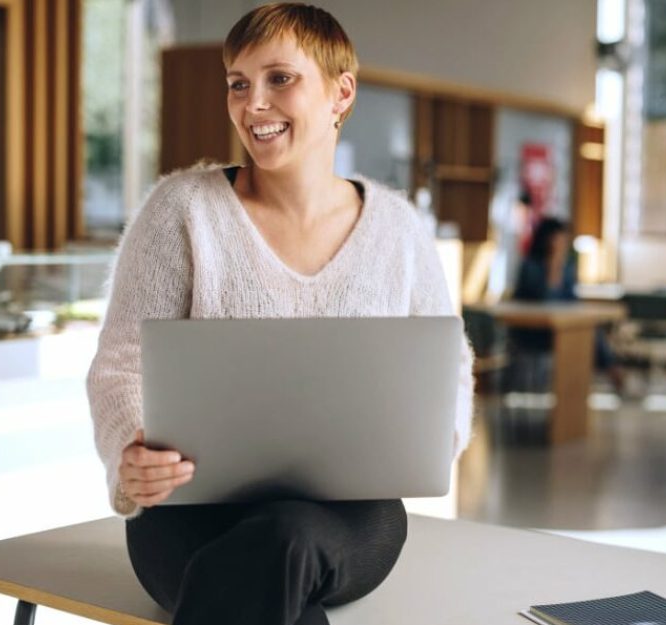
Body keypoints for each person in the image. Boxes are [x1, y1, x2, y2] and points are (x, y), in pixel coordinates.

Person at [85, 4, 474, 625]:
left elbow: (446, 369)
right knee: (279, 577)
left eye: (279, 79)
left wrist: (428, 442)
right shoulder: (182, 212)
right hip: (189, 515)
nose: (252, 103)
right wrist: (131, 455)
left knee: (287, 538)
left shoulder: (398, 231)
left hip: (346, 518)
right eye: (238, 84)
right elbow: (120, 367)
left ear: (340, 93)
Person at [511, 216, 624, 393]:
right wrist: (553, 267)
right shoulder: (531, 266)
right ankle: (612, 370)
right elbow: (545, 300)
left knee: (589, 331)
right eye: (558, 239)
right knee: (589, 333)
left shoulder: (568, 266)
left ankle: (576, 391)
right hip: (533, 330)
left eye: (564, 239)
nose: (562, 244)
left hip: (561, 328)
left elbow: (571, 299)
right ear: (546, 240)